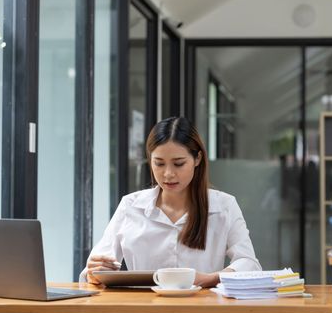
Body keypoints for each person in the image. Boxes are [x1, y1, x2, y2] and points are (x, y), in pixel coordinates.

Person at [80, 116, 261, 287]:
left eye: (178, 163)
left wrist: (209, 279)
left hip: (204, 311)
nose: (168, 174)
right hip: (143, 311)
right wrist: (94, 272)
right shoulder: (130, 206)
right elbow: (96, 269)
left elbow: (249, 263)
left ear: (197, 159)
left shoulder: (224, 206)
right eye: (159, 163)